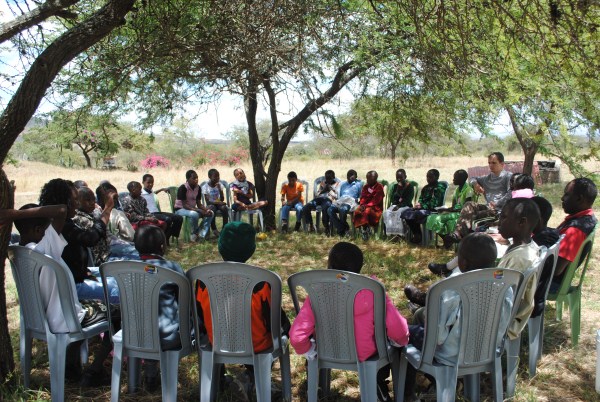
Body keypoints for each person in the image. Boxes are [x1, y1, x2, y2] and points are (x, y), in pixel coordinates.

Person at [289, 242, 409, 402]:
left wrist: (309, 351)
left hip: (326, 350)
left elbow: (297, 336)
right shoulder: (374, 290)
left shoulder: (317, 292)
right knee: (388, 345)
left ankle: (315, 386)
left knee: (313, 343)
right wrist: (400, 342)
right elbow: (398, 329)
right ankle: (377, 382)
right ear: (359, 268)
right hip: (366, 354)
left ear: (329, 266)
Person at [402, 233, 507, 399]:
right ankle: (452, 381)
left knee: (404, 334)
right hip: (488, 351)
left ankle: (407, 394)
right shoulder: (506, 286)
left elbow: (437, 337)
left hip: (450, 354)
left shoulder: (450, 289)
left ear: (462, 263)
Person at [195, 221, 290, 394]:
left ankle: (218, 379)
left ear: (220, 246)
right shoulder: (261, 282)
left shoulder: (203, 281)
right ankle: (255, 376)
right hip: (256, 345)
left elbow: (198, 316)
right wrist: (286, 330)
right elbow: (274, 320)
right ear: (251, 250)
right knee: (262, 334)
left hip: (217, 341)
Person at [133, 225, 186, 392]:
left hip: (134, 335)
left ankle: (149, 375)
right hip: (168, 336)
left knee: (150, 324)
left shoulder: (127, 269)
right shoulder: (172, 268)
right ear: (163, 247)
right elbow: (185, 300)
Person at [443, 152, 512, 246]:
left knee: (471, 216)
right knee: (469, 205)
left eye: (494, 163)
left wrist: (497, 203)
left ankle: (467, 242)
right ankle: (458, 234)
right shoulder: (487, 178)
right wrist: (475, 184)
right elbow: (471, 178)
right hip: (488, 208)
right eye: (489, 163)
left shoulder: (508, 177)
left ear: (502, 164)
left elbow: (510, 193)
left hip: (500, 210)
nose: (491, 165)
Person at [550, 178, 597, 291]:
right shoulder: (586, 218)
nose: (562, 198)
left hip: (551, 282)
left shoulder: (575, 230)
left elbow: (556, 269)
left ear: (579, 199)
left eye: (566, 195)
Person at [425, 169, 473, 248]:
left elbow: (467, 208)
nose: (453, 179)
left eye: (455, 178)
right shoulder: (457, 190)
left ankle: (448, 240)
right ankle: (446, 240)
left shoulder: (469, 190)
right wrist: (445, 210)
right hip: (454, 212)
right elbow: (453, 206)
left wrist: (449, 210)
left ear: (462, 179)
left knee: (438, 219)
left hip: (463, 215)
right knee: (432, 217)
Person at [401, 169, 446, 244]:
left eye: (431, 177)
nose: (428, 179)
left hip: (432, 209)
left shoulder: (439, 188)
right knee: (405, 213)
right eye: (427, 177)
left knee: (416, 214)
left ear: (437, 177)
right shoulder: (426, 188)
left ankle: (418, 236)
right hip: (422, 208)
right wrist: (419, 204)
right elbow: (421, 199)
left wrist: (422, 206)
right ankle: (417, 234)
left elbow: (435, 203)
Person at [142, 173, 184, 246]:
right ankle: (164, 240)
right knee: (167, 219)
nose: (150, 184)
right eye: (148, 182)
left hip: (157, 212)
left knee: (178, 218)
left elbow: (154, 192)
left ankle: (168, 236)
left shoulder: (150, 191)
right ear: (143, 182)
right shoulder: (140, 193)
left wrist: (161, 189)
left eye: (152, 183)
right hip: (150, 214)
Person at [174, 170, 214, 242]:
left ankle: (201, 234)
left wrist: (205, 210)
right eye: (194, 178)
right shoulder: (183, 188)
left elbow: (199, 204)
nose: (196, 180)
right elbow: (185, 205)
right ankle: (194, 233)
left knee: (211, 213)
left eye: (197, 178)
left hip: (191, 209)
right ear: (188, 179)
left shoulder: (198, 188)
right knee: (194, 214)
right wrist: (198, 210)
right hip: (180, 209)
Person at [328, 169, 363, 237]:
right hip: (341, 200)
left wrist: (357, 201)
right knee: (329, 210)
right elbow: (339, 196)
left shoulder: (358, 184)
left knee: (342, 209)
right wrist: (332, 193)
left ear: (356, 177)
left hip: (350, 201)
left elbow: (361, 196)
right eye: (348, 175)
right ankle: (343, 228)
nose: (350, 177)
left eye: (352, 176)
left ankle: (341, 231)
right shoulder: (342, 184)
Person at [353, 170, 385, 241]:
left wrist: (366, 206)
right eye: (366, 178)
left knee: (366, 211)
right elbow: (362, 197)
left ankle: (365, 230)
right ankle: (364, 229)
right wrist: (362, 205)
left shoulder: (379, 187)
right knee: (357, 211)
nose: (367, 180)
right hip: (365, 206)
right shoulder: (365, 187)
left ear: (374, 179)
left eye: (369, 179)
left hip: (376, 209)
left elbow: (376, 200)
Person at [381, 169, 414, 237]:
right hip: (396, 205)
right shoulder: (395, 186)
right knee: (387, 213)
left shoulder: (410, 186)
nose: (399, 179)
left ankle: (400, 234)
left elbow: (408, 200)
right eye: (397, 177)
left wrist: (399, 206)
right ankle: (390, 234)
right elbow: (394, 200)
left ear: (405, 176)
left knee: (398, 212)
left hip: (406, 205)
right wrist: (398, 191)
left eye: (401, 177)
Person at [201, 168, 229, 237]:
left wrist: (220, 190)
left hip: (219, 203)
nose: (217, 178)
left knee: (224, 208)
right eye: (215, 177)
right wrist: (218, 203)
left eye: (218, 176)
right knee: (212, 208)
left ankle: (224, 228)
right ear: (210, 177)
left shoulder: (219, 185)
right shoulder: (205, 187)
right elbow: (208, 201)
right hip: (211, 204)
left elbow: (222, 199)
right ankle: (214, 229)